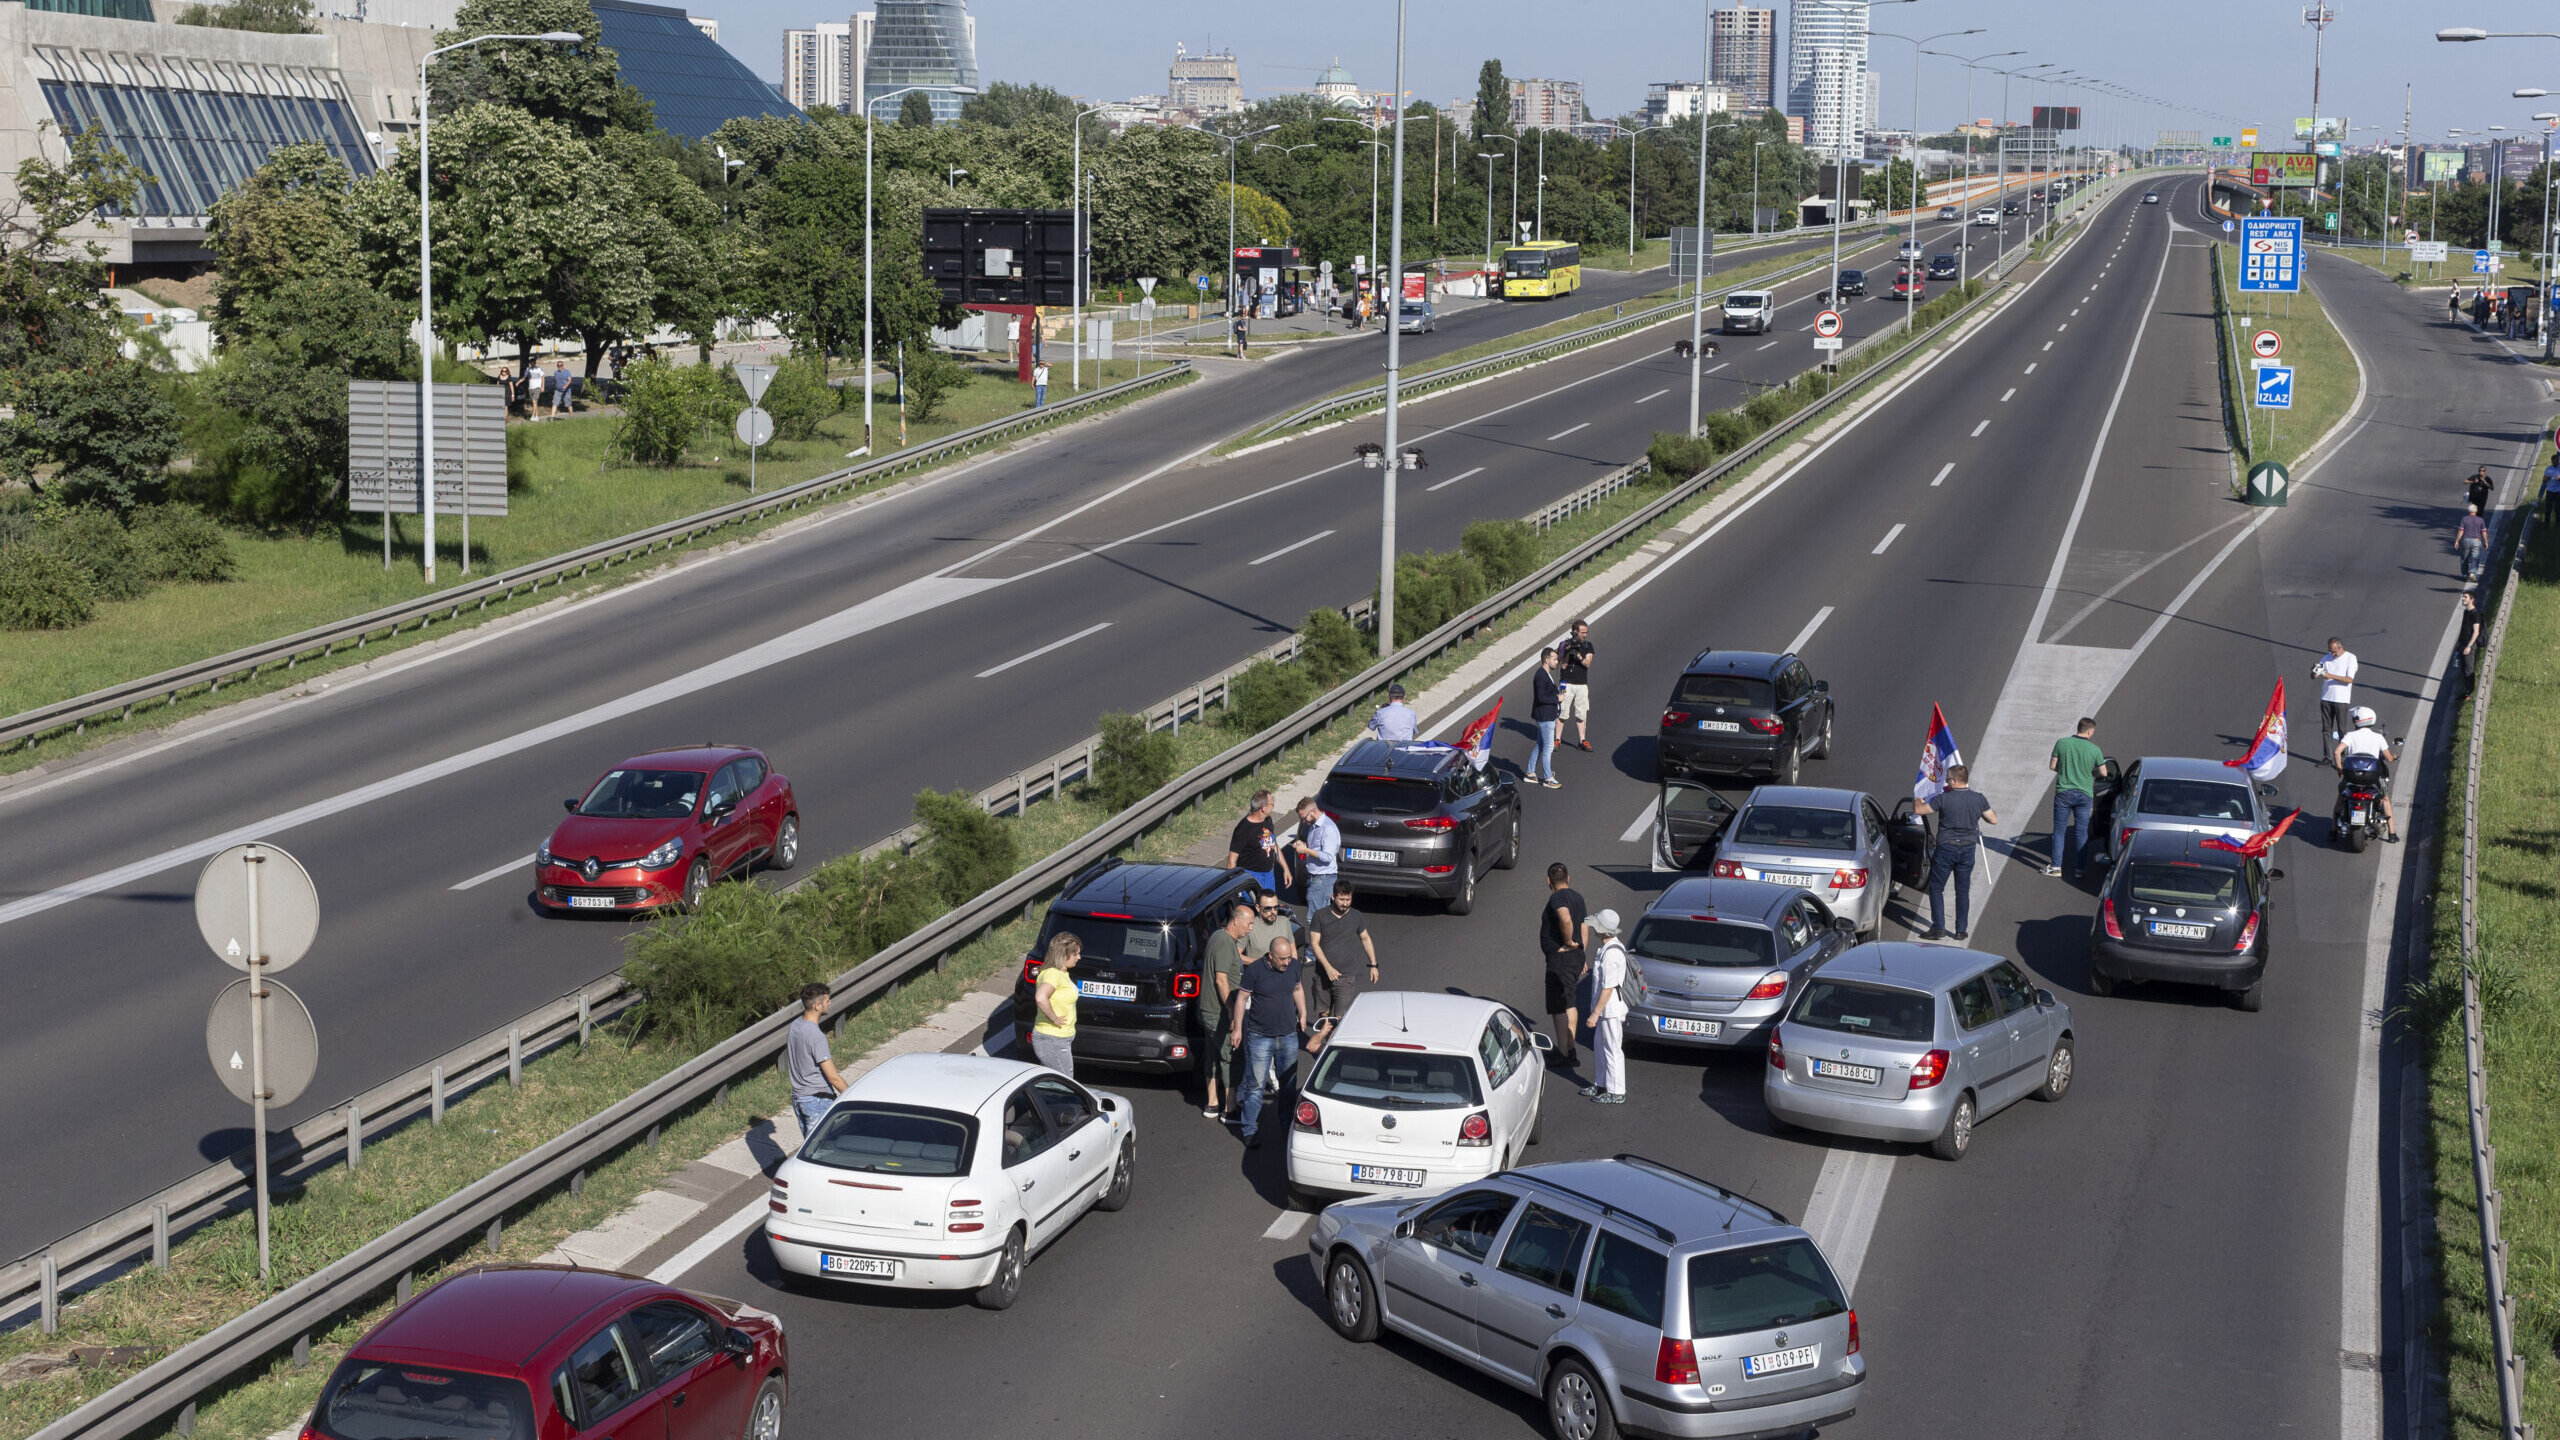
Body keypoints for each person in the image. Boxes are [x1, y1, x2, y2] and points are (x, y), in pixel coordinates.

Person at [1228, 935, 1309, 1148]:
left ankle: (1286, 1126)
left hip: (1288, 1035)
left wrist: (1302, 1013)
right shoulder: (1254, 970)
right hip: (1259, 1036)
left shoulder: (1292, 967)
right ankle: (1249, 1130)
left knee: (1288, 1084)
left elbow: (1298, 989)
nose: (1286, 962)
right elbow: (1242, 999)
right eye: (1281, 959)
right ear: (1270, 956)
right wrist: (1237, 1028)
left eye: (1288, 958)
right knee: (1255, 1086)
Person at [1916, 765, 1998, 941]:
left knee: (1937, 888)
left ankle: (1938, 927)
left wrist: (1918, 799)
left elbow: (1920, 810)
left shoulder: (1944, 799)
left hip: (1946, 848)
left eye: (1947, 780)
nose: (1947, 783)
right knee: (1962, 890)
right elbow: (1993, 819)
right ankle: (1961, 930)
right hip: (1968, 848)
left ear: (1954, 780)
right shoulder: (1978, 798)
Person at [1304, 883, 1379, 1039]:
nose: (1345, 903)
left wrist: (1373, 964)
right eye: (1341, 899)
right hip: (1322, 975)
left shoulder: (1356, 916)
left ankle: (1333, 1046)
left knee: (1339, 1017)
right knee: (1324, 1014)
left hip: (1346, 976)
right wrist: (1328, 968)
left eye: (1348, 900)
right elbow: (1314, 944)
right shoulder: (1320, 916)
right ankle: (1324, 1045)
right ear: (1333, 897)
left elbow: (1365, 938)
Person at [1199, 903, 1250, 1118]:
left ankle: (1212, 1103)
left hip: (1209, 1010)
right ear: (1236, 921)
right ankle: (1229, 1108)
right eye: (1248, 924)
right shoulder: (1224, 943)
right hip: (1218, 1012)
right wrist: (1231, 1009)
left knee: (1211, 1055)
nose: (1250, 929)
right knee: (1232, 1056)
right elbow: (1221, 979)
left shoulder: (1218, 937)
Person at [1539, 863, 1589, 1067]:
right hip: (1575, 957)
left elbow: (1566, 920)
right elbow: (1584, 926)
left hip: (1561, 960)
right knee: (1569, 1001)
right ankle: (1570, 1048)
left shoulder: (1557, 897)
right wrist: (1581, 953)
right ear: (1569, 877)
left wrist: (1568, 942)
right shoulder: (1578, 897)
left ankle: (1563, 1052)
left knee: (1559, 1005)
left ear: (1548, 881)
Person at [1579, 910, 1630, 1104]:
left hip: (1610, 1011)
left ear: (1603, 930)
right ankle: (1601, 1083)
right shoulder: (1608, 948)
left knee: (1612, 1048)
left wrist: (1595, 1013)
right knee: (1600, 1046)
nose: (1593, 929)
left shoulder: (1611, 954)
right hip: (1604, 1011)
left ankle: (1617, 1091)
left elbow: (1608, 988)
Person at [785, 983, 847, 1139]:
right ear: (818, 1006)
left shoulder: (795, 1026)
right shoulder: (816, 1036)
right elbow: (833, 1077)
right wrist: (851, 1096)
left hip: (799, 1098)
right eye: (827, 1001)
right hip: (817, 1101)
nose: (830, 1003)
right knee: (822, 1152)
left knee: (809, 1148)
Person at [2045, 717, 2104, 879]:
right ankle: (2079, 869)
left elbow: (2052, 765)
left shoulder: (2062, 743)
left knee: (2059, 831)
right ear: (2090, 731)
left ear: (2078, 728)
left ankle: (2056, 866)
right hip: (2085, 794)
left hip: (2064, 792)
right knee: (2081, 832)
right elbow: (2104, 772)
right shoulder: (2095, 750)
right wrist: (2090, 773)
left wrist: (2066, 771)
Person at [2334, 706, 2401, 843]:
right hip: (2373, 778)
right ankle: (2392, 834)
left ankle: (2333, 830)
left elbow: (2337, 752)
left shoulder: (2350, 736)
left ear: (2357, 721)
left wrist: (2340, 771)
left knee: (2341, 796)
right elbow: (2388, 758)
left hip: (2351, 777)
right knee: (2385, 799)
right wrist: (2394, 756)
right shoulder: (2378, 737)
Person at [1029, 933, 1081, 1076]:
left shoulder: (1061, 973)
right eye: (1076, 954)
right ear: (1064, 955)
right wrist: (1054, 1018)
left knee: (1053, 1083)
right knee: (1066, 1082)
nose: (1079, 957)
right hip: (1052, 1038)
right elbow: (1040, 997)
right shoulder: (1053, 974)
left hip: (1058, 1039)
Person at [1226, 790, 1290, 893]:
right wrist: (1235, 887)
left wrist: (1286, 869)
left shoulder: (1267, 820)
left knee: (1269, 906)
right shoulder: (1243, 829)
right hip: (1250, 877)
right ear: (1263, 808)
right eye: (1272, 804)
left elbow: (1273, 845)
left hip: (1268, 876)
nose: (1273, 807)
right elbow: (1231, 861)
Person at [2312, 638, 2359, 764]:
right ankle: (2327, 757)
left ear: (2340, 647)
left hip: (2341, 700)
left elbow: (2349, 679)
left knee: (2341, 729)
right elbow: (2314, 674)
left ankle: (2342, 757)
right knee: (2326, 729)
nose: (2333, 654)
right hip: (2326, 698)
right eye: (2330, 651)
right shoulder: (2326, 658)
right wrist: (2314, 672)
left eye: (2334, 651)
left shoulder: (2350, 658)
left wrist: (2330, 676)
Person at [1291, 796, 1342, 911]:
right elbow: (1316, 847)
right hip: (1315, 876)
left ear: (1313, 812)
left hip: (1323, 877)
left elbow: (1327, 856)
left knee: (1315, 916)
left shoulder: (1328, 828)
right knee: (1316, 915)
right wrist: (1302, 844)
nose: (1304, 821)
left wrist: (1306, 851)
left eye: (1304, 818)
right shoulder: (1313, 826)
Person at [1559, 619, 1596, 752]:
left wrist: (1579, 655)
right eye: (1582, 632)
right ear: (1575, 632)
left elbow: (1587, 663)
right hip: (1566, 682)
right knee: (1562, 711)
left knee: (1581, 713)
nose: (1585, 635)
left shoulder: (1588, 646)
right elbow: (1562, 665)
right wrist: (1568, 652)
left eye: (1586, 632)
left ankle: (1582, 739)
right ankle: (1557, 739)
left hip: (1581, 684)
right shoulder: (1564, 644)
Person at [1529, 647, 1564, 788]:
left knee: (1540, 745)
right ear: (1546, 660)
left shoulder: (1545, 674)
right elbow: (1541, 697)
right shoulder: (1541, 675)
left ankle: (1530, 772)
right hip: (1545, 717)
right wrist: (1557, 698)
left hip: (1546, 715)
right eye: (1555, 659)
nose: (1557, 662)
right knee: (1548, 747)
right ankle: (1548, 778)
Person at [1245, 890, 1295, 963]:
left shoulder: (1284, 922)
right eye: (1268, 908)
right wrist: (1263, 964)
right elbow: (1238, 957)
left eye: (1276, 907)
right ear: (1258, 908)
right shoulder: (1249, 926)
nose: (1273, 912)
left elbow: (1293, 951)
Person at [2454, 588, 2484, 698]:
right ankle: (2467, 690)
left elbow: (2476, 632)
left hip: (2469, 646)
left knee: (2469, 670)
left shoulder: (2475, 614)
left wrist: (2469, 646)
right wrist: (2459, 644)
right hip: (2462, 645)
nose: (2463, 599)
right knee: (2463, 669)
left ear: (2472, 599)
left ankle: (2470, 693)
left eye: (2465, 597)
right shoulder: (2466, 611)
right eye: (2463, 597)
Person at [2456, 503, 2490, 583]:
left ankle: (2464, 574)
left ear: (2469, 510)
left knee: (2464, 558)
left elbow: (2461, 531)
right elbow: (2484, 532)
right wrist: (2486, 541)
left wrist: (2457, 540)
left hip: (2466, 540)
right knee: (2475, 558)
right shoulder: (2480, 520)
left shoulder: (2464, 519)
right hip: (2476, 541)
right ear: (2476, 510)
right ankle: (2472, 573)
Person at [2542, 455, 2560, 527]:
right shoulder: (2548, 469)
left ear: (2558, 461)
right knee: (2548, 509)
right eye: (2553, 461)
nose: (2555, 462)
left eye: (2556, 461)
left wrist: (2559, 478)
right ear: (2552, 461)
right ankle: (2546, 524)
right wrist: (2547, 478)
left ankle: (2558, 525)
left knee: (2558, 509)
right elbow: (2543, 481)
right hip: (2550, 491)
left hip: (2558, 491)